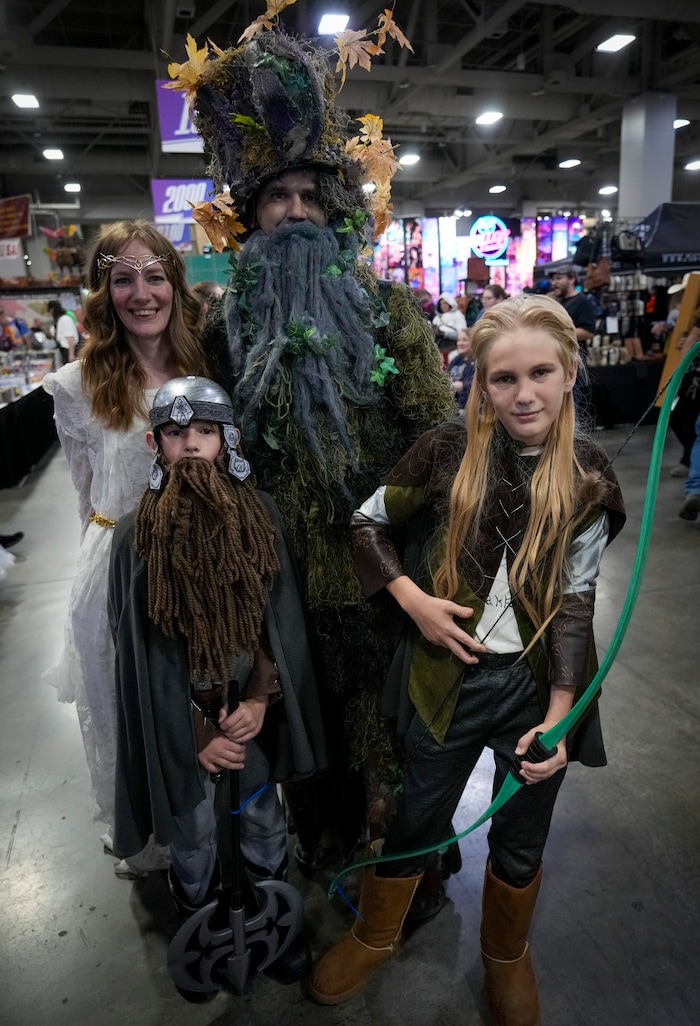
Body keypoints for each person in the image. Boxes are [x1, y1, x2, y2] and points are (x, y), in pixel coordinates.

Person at [181, 13, 456, 886]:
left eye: (308, 196)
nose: (294, 212)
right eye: (276, 198)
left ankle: (406, 860)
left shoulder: (387, 313)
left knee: (393, 723)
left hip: (384, 569)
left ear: (330, 208)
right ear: (252, 213)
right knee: (309, 719)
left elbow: (440, 439)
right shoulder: (224, 327)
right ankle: (325, 837)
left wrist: (430, 555)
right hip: (280, 574)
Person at [309, 295, 626, 1026]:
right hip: (443, 680)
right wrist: (410, 598)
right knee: (419, 816)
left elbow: (576, 601)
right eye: (503, 378)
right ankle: (376, 930)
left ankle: (506, 953)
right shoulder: (444, 449)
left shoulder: (587, 471)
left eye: (540, 372)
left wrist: (559, 714)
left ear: (570, 371)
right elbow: (367, 521)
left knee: (523, 829)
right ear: (479, 384)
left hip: (538, 687)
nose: (524, 393)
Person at [109, 376, 325, 981]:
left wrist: (260, 696)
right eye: (177, 434)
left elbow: (278, 627)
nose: (191, 446)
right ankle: (200, 923)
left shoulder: (261, 517)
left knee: (261, 818)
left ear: (227, 440)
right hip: (185, 728)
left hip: (249, 714)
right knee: (195, 831)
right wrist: (196, 730)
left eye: (205, 431)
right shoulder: (135, 537)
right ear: (156, 444)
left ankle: (271, 925)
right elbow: (140, 658)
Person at [42, 220, 211, 873]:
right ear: (102, 293)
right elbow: (87, 493)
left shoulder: (203, 367)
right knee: (116, 703)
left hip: (198, 564)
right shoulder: (78, 386)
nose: (141, 293)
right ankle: (138, 834)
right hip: (116, 567)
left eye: (154, 275)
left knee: (195, 702)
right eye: (123, 279)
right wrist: (103, 571)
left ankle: (203, 825)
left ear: (173, 282)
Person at [446, 328, 475, 410]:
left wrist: (463, 386)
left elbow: (481, 384)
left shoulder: (478, 361)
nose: (460, 343)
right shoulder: (456, 360)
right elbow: (444, 377)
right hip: (452, 406)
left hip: (468, 407)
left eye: (464, 340)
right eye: (459, 340)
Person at [47, 299, 80, 364]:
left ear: (53, 310)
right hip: (64, 350)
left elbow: (70, 337)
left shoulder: (65, 319)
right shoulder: (60, 320)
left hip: (69, 350)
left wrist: (71, 355)